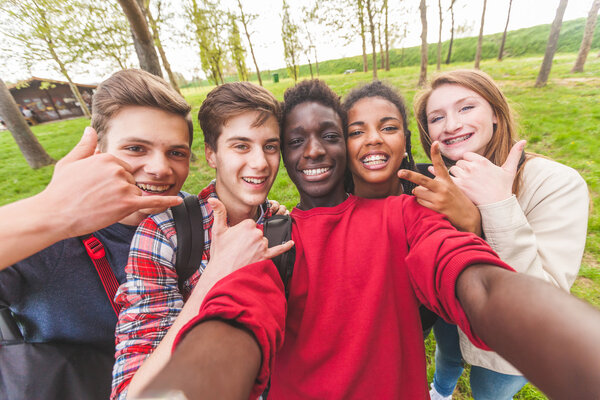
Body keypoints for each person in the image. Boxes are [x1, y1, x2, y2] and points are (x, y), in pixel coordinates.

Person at [136, 79, 600, 400]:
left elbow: (472, 278)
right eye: (295, 140)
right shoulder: (271, 239)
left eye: (330, 135)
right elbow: (236, 324)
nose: (314, 149)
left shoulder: (405, 213)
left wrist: (580, 353)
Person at [0, 69, 193, 399]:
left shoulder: (191, 215)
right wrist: (55, 212)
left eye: (176, 152)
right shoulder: (44, 236)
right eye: (135, 148)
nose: (161, 168)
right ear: (96, 149)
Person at [399, 69, 589, 400]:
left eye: (467, 108)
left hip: (506, 350)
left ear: (496, 114)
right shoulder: (436, 180)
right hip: (452, 313)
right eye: (437, 117)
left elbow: (540, 304)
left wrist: (497, 205)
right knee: (448, 355)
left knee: (489, 391)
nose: (452, 124)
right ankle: (441, 392)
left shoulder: (558, 184)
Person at [111, 81, 293, 400]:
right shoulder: (167, 231)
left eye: (270, 146)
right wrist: (215, 275)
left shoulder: (283, 226)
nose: (261, 163)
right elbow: (131, 391)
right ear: (211, 154)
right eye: (241, 146)